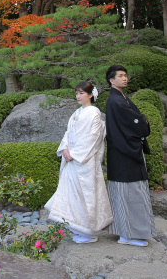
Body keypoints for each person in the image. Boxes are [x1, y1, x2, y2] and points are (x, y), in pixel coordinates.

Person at [45, 80, 113, 244]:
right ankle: (76, 227)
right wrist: (66, 149)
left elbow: (93, 138)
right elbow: (68, 134)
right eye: (77, 93)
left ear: (90, 95)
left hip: (84, 161)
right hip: (72, 159)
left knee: (84, 194)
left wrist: (74, 154)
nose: (78, 96)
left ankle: (88, 231)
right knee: (70, 193)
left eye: (81, 93)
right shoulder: (76, 113)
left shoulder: (94, 112)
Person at [104, 64, 156, 247]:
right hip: (124, 154)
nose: (124, 78)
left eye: (125, 75)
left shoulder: (121, 99)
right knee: (128, 194)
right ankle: (127, 234)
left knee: (128, 194)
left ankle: (127, 232)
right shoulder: (116, 101)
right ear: (112, 80)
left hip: (123, 152)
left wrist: (141, 121)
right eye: (120, 76)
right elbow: (139, 121)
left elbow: (138, 120)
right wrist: (143, 121)